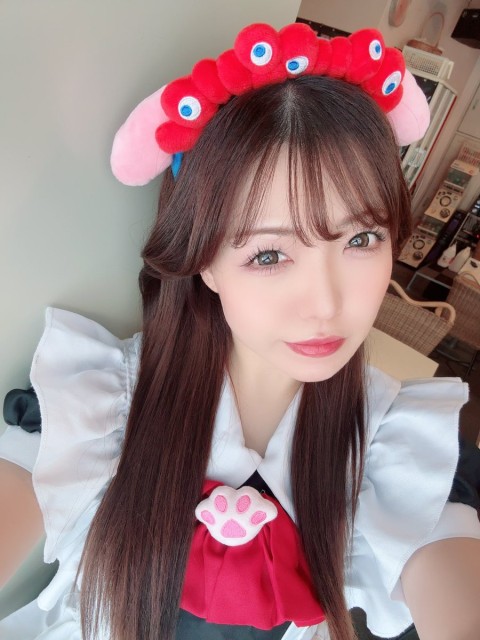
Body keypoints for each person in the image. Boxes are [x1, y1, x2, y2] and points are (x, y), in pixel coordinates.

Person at [0, 22, 479, 640]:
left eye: (362, 239)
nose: (326, 304)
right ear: (204, 262)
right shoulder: (101, 402)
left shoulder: (392, 442)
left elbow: (448, 564)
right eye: (270, 255)